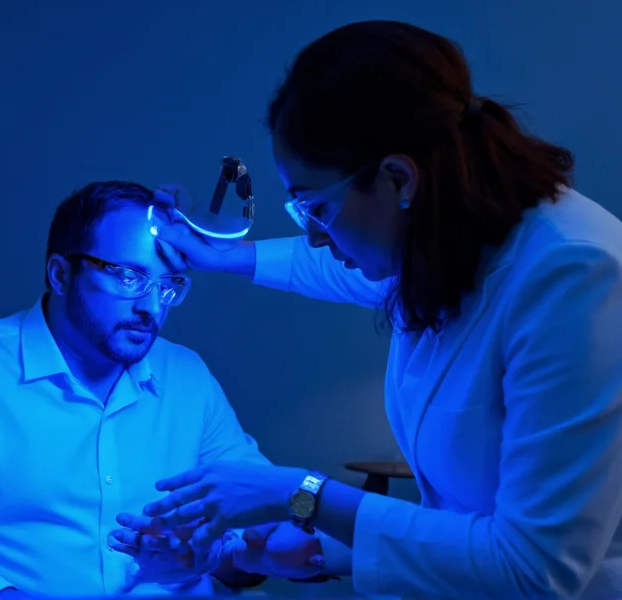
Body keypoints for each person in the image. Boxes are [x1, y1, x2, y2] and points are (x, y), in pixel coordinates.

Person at [121, 20, 622, 600]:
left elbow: (532, 572)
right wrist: (304, 550)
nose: (312, 236)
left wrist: (299, 492)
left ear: (397, 177)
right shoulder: (449, 237)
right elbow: (337, 264)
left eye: (315, 208)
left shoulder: (571, 277)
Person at [0, 180, 328, 599]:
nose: (151, 307)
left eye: (169, 285)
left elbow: (255, 531)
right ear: (60, 274)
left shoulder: (187, 375)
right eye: (129, 277)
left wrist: (243, 556)